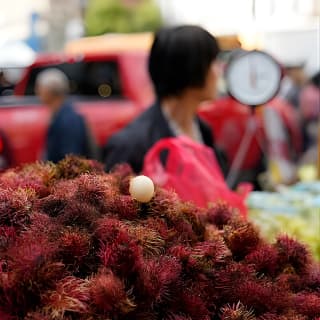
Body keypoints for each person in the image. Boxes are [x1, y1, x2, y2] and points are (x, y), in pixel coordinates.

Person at [104, 25, 227, 174]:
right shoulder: (131, 145)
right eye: (212, 61)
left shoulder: (204, 131)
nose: (219, 70)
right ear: (189, 69)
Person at [36, 68, 98, 163]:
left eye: (39, 87)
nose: (37, 92)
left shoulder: (68, 120)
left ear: (49, 91)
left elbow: (70, 161)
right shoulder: (62, 114)